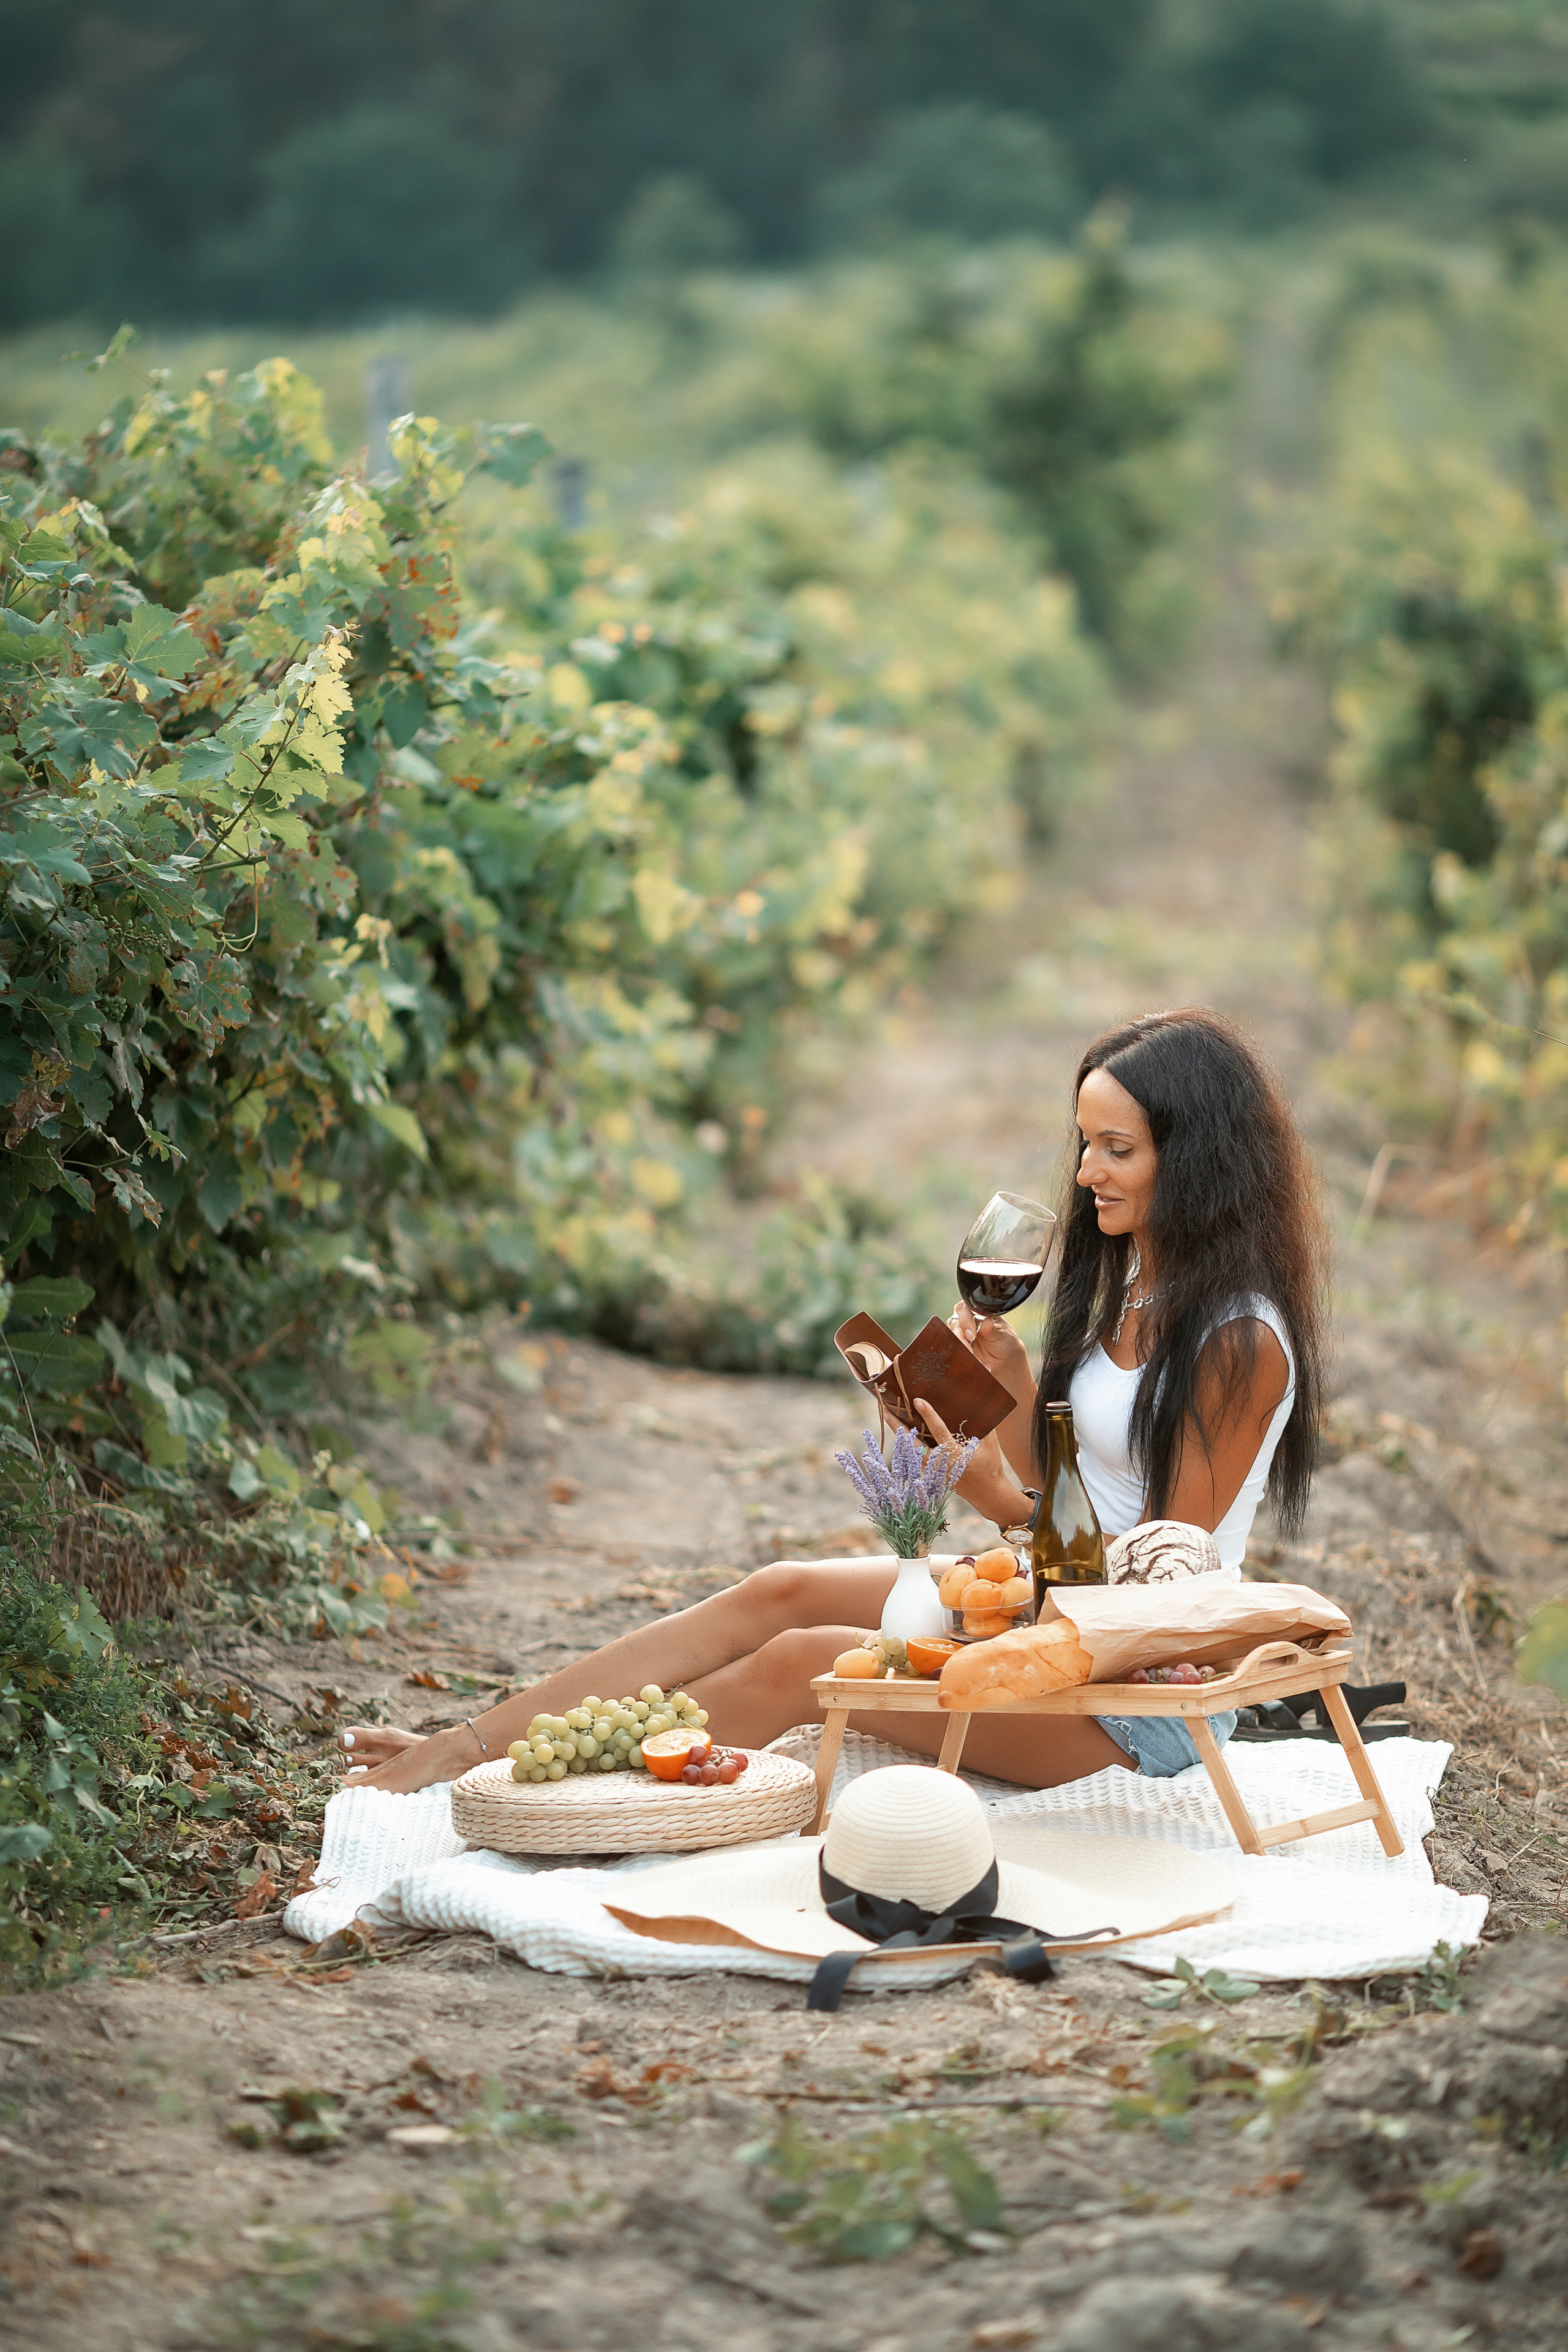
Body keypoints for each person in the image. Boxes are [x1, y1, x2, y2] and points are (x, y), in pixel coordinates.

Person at [338, 1009, 1326, 1795]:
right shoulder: (1135, 1287)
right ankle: (469, 1747)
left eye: (1117, 1149)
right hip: (1044, 1599)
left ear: (1192, 1162)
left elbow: (1163, 1603)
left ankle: (537, 1790)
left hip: (1133, 1693)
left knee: (808, 1659)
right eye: (1082, 1142)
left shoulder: (1237, 1341)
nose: (1083, 1173)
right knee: (780, 1589)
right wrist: (1014, 1401)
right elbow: (1061, 1484)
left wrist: (1001, 1506)